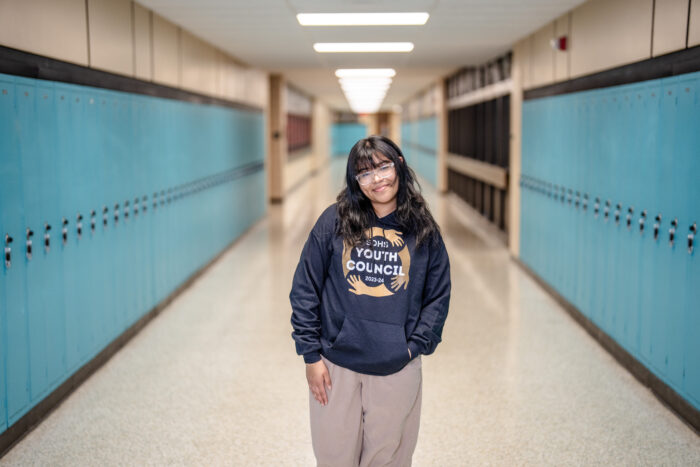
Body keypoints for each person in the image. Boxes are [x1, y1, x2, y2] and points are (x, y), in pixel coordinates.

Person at [290, 135, 451, 467]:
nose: (377, 179)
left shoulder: (423, 230)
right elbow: (305, 287)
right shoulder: (333, 222)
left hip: (396, 367)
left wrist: (414, 346)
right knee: (334, 457)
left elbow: (438, 294)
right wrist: (311, 355)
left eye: (383, 166)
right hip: (336, 364)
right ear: (355, 181)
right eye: (364, 172)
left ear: (399, 166)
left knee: (388, 459)